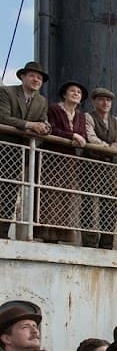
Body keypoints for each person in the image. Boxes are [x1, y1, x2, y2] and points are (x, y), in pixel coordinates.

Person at [0, 61, 51, 239]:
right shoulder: (7, 92)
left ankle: (3, 232)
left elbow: (43, 120)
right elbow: (3, 117)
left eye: (39, 77)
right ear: (23, 76)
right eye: (32, 75)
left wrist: (45, 128)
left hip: (22, 153)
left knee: (10, 192)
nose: (36, 79)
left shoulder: (41, 101)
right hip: (4, 148)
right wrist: (30, 125)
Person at [40, 81, 89, 244]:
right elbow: (53, 129)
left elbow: (84, 135)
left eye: (79, 92)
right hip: (53, 159)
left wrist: (76, 136)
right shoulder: (54, 109)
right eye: (72, 91)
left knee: (67, 197)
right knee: (51, 196)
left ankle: (62, 235)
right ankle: (47, 234)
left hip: (70, 162)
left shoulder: (81, 116)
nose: (76, 94)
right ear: (64, 94)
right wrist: (72, 136)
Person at [82, 87, 117, 249]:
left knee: (112, 204)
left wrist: (106, 148)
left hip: (109, 168)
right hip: (90, 165)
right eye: (101, 99)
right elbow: (90, 137)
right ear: (94, 101)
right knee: (88, 202)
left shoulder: (116, 122)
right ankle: (89, 241)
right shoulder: (88, 117)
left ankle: (107, 242)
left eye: (108, 100)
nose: (105, 103)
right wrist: (108, 146)